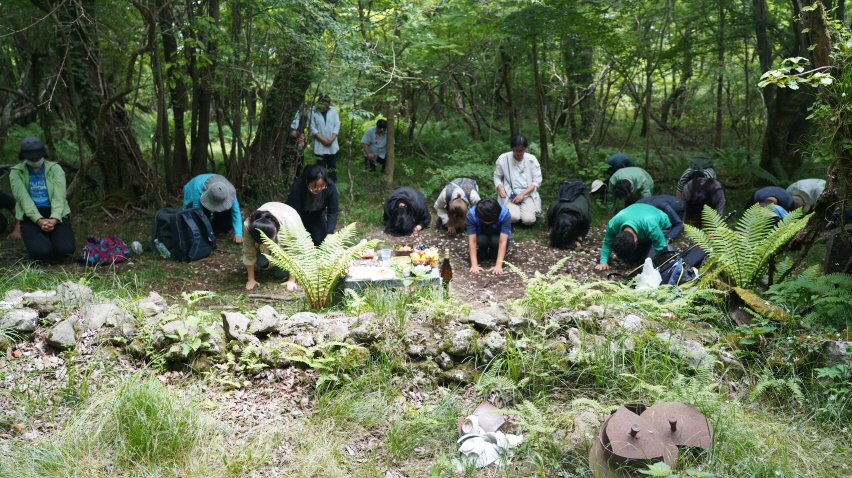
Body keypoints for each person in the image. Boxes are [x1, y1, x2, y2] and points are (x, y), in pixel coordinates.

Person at [9, 136, 75, 263]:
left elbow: (59, 197)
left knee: (65, 249)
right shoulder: (16, 172)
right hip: (30, 217)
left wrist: (54, 219)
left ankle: (51, 238)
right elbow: (24, 199)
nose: (35, 160)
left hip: (56, 214)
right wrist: (39, 221)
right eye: (31, 157)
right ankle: (43, 242)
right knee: (41, 252)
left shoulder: (55, 169)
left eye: (37, 157)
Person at [242, 202, 304, 292]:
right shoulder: (248, 225)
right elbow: (248, 251)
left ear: (275, 230)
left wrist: (291, 280)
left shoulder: (289, 225)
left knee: (279, 275)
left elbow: (295, 252)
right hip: (272, 226)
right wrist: (251, 279)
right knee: (261, 261)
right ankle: (272, 261)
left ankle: (279, 264)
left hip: (288, 218)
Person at [595, 203, 672, 271]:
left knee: (649, 261)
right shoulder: (613, 224)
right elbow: (608, 242)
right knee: (630, 259)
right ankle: (644, 247)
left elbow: (661, 248)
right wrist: (603, 261)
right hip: (639, 218)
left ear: (636, 241)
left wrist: (664, 264)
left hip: (661, 225)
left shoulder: (651, 226)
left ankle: (657, 243)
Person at [494, 135, 542, 225]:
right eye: (516, 150)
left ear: (525, 149)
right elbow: (497, 176)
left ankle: (524, 212)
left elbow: (536, 181)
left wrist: (522, 194)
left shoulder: (531, 160)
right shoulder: (503, 158)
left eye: (521, 150)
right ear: (512, 148)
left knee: (529, 220)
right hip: (510, 194)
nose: (519, 153)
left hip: (528, 194)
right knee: (513, 218)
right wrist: (500, 188)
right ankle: (517, 213)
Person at [286, 165, 339, 246]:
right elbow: (294, 213)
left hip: (317, 217)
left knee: (323, 244)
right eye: (314, 187)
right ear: (307, 181)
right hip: (298, 218)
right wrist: (302, 235)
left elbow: (333, 212)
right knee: (299, 245)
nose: (318, 189)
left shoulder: (330, 187)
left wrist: (330, 232)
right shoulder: (298, 187)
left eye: (322, 186)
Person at [182, 174, 243, 243]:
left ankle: (214, 228)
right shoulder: (198, 188)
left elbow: (236, 212)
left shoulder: (230, 191)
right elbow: (197, 212)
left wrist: (238, 233)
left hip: (216, 195)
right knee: (200, 218)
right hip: (193, 193)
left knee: (224, 224)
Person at [467, 198, 511, 275]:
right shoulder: (471, 215)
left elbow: (503, 241)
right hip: (481, 234)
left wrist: (498, 265)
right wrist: (474, 265)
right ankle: (482, 251)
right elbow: (472, 240)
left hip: (497, 235)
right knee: (481, 240)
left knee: (495, 241)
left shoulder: (505, 214)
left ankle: (495, 252)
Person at [547, 179, 592, 249]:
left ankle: (568, 238)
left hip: (580, 197)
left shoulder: (584, 215)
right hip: (565, 201)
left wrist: (579, 238)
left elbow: (585, 227)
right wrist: (552, 231)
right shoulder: (554, 208)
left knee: (569, 230)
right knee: (561, 228)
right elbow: (550, 220)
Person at [310, 95, 340, 182]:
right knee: (320, 168)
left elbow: (337, 125)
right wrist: (323, 139)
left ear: (329, 104)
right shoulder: (313, 111)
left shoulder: (333, 111)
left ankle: (332, 186)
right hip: (320, 144)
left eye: (326, 105)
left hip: (332, 144)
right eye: (322, 105)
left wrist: (331, 139)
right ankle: (320, 185)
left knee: (332, 167)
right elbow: (312, 127)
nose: (324, 107)